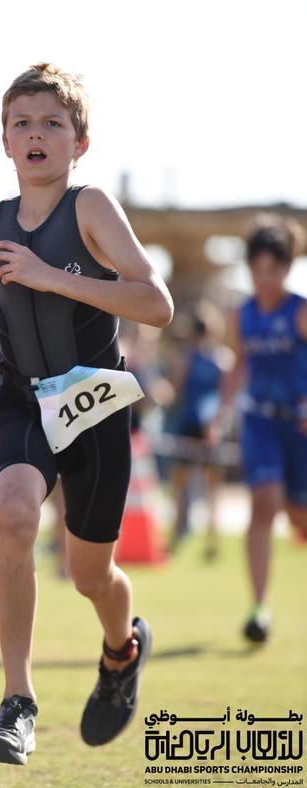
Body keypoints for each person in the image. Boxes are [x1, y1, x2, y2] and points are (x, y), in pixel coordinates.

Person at [0, 63, 173, 765]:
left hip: (95, 403)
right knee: (13, 513)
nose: (36, 134)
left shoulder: (92, 209)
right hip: (23, 398)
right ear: (4, 140)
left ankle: (122, 649)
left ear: (78, 143)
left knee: (90, 575)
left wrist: (50, 277)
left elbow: (156, 303)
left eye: (52, 123)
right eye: (22, 123)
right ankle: (17, 703)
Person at [217, 214, 307, 644]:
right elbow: (239, 365)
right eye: (258, 270)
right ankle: (259, 607)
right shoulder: (241, 315)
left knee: (298, 515)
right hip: (259, 423)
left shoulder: (300, 311)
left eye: (274, 269)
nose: (265, 279)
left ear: (287, 269)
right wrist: (221, 413)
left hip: (299, 426)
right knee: (263, 503)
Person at [165, 302, 231, 559]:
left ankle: (192, 533)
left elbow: (175, 390)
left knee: (189, 483)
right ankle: (202, 536)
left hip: (200, 425)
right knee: (203, 485)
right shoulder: (220, 358)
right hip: (203, 425)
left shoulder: (193, 358)